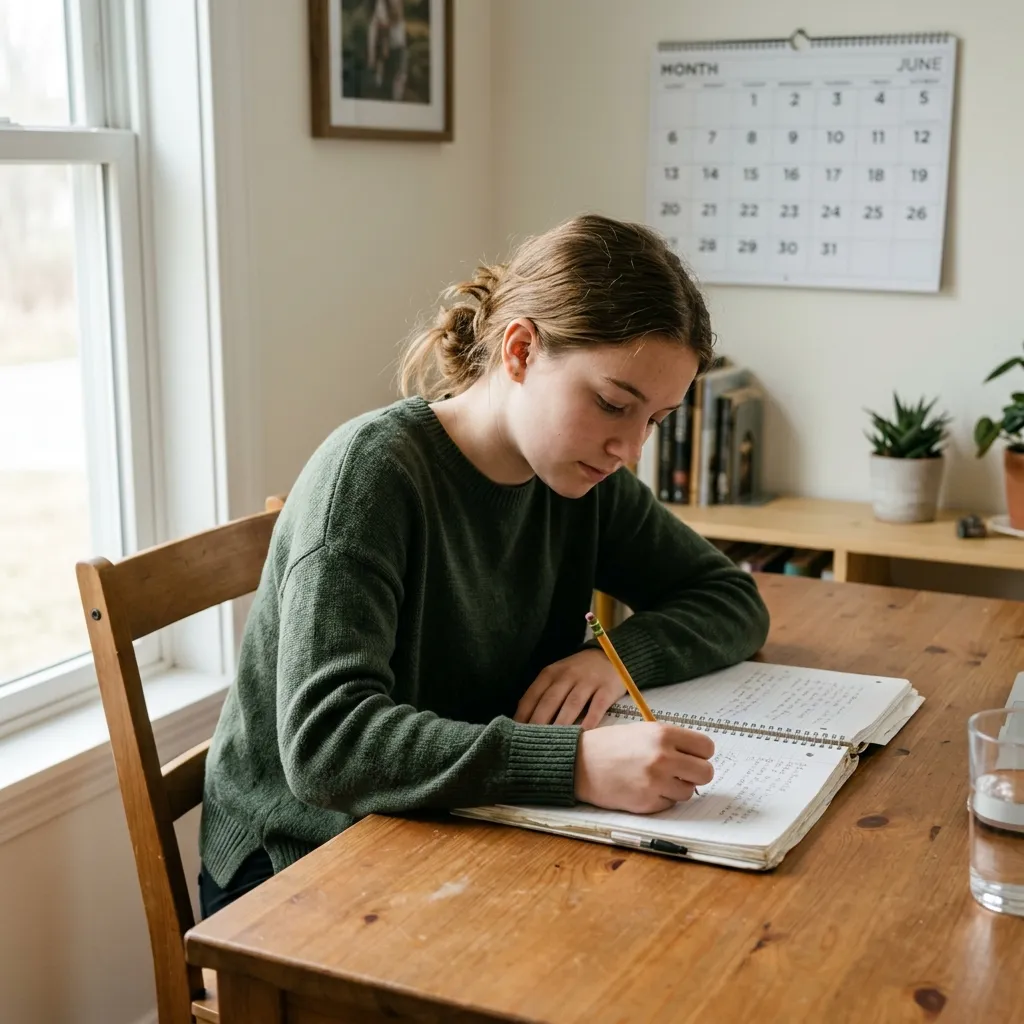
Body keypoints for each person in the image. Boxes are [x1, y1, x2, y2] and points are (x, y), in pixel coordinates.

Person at [197, 213, 770, 916]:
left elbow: (729, 598)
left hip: (455, 821)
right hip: (301, 860)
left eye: (655, 420)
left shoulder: (582, 475)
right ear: (521, 349)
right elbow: (328, 744)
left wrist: (611, 660)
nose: (630, 448)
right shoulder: (371, 477)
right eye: (613, 404)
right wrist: (577, 764)